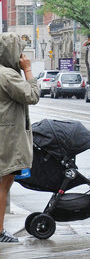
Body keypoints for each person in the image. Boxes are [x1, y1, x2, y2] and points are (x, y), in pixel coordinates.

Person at [1, 34, 40, 243]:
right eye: (20, 51)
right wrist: (27, 70)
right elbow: (32, 95)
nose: (22, 56)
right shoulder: (8, 75)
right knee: (3, 184)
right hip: (7, 137)